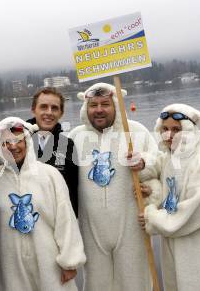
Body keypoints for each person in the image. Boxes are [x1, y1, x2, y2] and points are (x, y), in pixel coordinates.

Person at [68, 82, 158, 291]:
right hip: (92, 231)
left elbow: (160, 164)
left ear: (116, 105)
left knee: (135, 282)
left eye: (105, 104)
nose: (99, 109)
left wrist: (144, 163)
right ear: (85, 108)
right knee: (97, 284)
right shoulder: (74, 137)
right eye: (93, 105)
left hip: (131, 228)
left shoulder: (135, 131)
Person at [137, 103, 200, 291]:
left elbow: (193, 211)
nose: (169, 135)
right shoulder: (173, 155)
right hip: (175, 246)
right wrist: (143, 165)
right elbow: (159, 168)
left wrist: (152, 217)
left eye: (176, 129)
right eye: (164, 129)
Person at [0, 117, 86, 291]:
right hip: (12, 267)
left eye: (18, 141)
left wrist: (69, 261)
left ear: (27, 141)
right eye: (6, 142)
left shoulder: (49, 175)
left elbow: (66, 219)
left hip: (50, 262)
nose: (13, 147)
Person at [26, 87, 79, 216]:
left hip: (60, 218)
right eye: (43, 107)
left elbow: (74, 188)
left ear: (61, 113)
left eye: (54, 108)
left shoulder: (67, 145)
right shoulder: (16, 142)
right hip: (29, 219)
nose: (49, 112)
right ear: (34, 110)